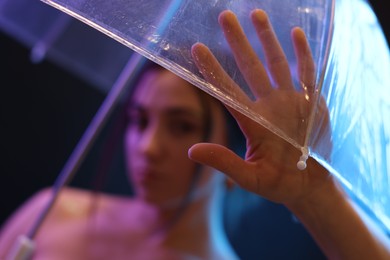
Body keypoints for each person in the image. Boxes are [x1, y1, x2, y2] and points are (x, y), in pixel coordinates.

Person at [0, 8, 389, 260]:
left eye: (182, 126)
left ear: (242, 144)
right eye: (139, 120)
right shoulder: (49, 212)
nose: (148, 148)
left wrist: (313, 196)